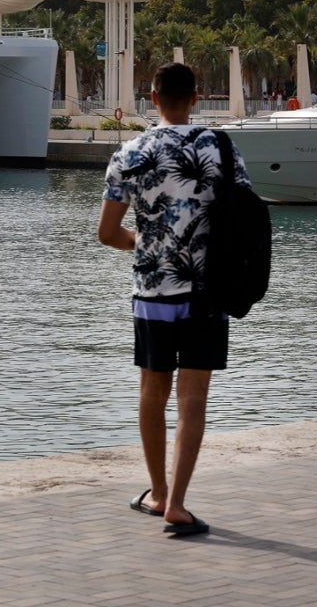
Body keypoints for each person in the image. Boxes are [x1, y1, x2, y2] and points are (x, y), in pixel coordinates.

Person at [97, 62, 252, 537]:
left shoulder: (130, 152)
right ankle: (179, 504)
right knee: (193, 399)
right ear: (197, 96)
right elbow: (244, 219)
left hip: (153, 292)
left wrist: (142, 245)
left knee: (153, 392)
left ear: (153, 94)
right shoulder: (220, 148)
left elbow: (107, 233)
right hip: (208, 292)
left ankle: (157, 491)